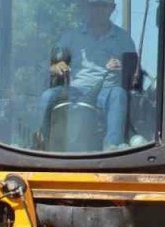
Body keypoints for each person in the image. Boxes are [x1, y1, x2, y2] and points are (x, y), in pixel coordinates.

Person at [36, 0, 137, 150]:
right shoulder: (71, 36)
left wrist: (121, 67)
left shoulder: (123, 38)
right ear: (87, 7)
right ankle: (39, 142)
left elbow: (134, 72)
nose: (98, 10)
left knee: (119, 94)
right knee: (47, 96)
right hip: (74, 90)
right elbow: (49, 65)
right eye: (94, 5)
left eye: (103, 5)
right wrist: (56, 66)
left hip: (107, 90)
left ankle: (113, 146)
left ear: (112, 8)